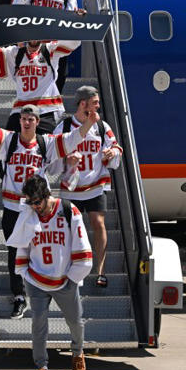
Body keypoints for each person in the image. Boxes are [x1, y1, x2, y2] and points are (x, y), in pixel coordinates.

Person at [0, 91, 98, 318]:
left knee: (39, 249)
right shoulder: (9, 140)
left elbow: (72, 139)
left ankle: (41, 290)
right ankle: (19, 296)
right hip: (12, 208)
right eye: (23, 119)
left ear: (37, 122)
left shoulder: (45, 144)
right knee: (13, 251)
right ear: (19, 121)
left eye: (31, 119)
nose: (26, 123)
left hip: (36, 208)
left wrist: (88, 123)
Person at [6, 174, 92, 370]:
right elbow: (22, 243)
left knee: (75, 321)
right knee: (38, 323)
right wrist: (24, 271)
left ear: (47, 195)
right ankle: (41, 365)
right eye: (30, 202)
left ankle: (77, 352)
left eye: (37, 202)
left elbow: (81, 244)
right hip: (36, 278)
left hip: (65, 277)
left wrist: (74, 277)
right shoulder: (28, 213)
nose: (34, 206)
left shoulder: (68, 210)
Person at [52, 86, 122, 288]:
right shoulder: (65, 126)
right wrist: (67, 159)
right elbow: (52, 152)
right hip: (71, 186)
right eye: (95, 103)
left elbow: (117, 147)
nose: (98, 106)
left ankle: (100, 270)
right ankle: (70, 269)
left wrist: (111, 153)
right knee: (70, 227)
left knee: (98, 222)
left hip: (96, 183)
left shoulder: (101, 126)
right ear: (83, 104)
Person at [12, 0, 85, 93]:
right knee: (33, 73)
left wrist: (78, 16)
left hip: (56, 41)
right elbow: (16, 8)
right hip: (34, 41)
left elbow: (70, 14)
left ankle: (54, 104)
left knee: (60, 74)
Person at [0, 38, 81, 134]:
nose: (34, 38)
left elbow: (73, 43)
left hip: (46, 110)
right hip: (21, 110)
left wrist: (77, 20)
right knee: (10, 145)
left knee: (47, 148)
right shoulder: (15, 53)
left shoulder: (49, 49)